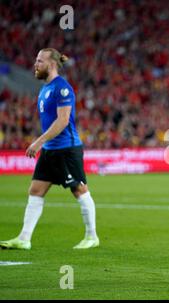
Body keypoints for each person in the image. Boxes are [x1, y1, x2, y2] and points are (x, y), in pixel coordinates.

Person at [0, 48, 99, 250]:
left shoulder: (62, 88)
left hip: (67, 149)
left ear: (51, 64)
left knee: (79, 190)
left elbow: (63, 121)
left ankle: (92, 236)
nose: (35, 65)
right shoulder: (45, 88)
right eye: (36, 60)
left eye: (39, 61)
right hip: (50, 150)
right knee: (36, 190)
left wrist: (38, 142)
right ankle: (24, 238)